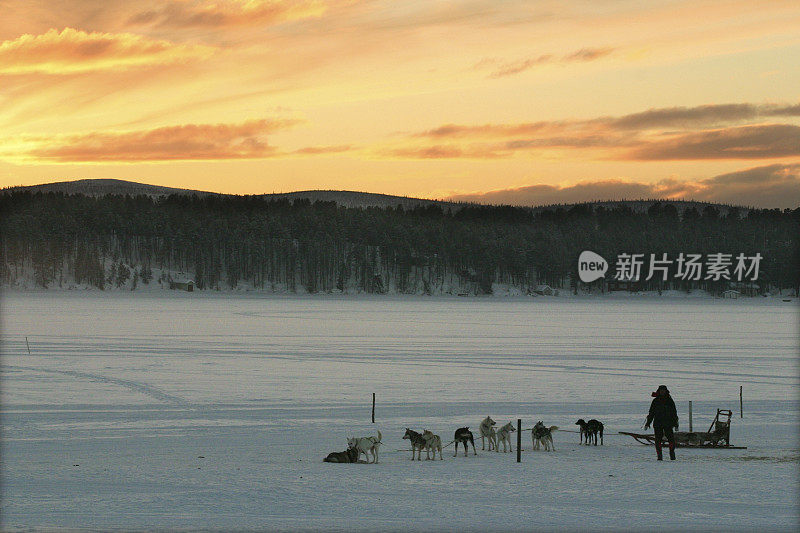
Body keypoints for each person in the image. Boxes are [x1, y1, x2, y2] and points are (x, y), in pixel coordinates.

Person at [644, 384, 679, 460]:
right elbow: (651, 413)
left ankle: (672, 456)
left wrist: (676, 424)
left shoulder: (669, 401)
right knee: (658, 440)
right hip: (658, 424)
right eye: (661, 390)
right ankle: (659, 457)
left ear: (666, 391)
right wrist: (647, 423)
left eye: (664, 390)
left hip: (668, 424)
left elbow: (674, 413)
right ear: (659, 391)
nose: (662, 392)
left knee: (671, 440)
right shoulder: (655, 401)